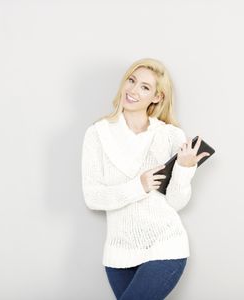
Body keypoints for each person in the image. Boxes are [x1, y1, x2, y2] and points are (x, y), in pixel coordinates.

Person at [81, 58, 210, 299]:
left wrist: (183, 169)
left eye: (145, 87)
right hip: (118, 255)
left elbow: (176, 203)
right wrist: (138, 186)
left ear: (157, 97)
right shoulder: (97, 134)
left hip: (165, 247)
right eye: (131, 81)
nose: (133, 90)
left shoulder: (170, 135)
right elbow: (92, 197)